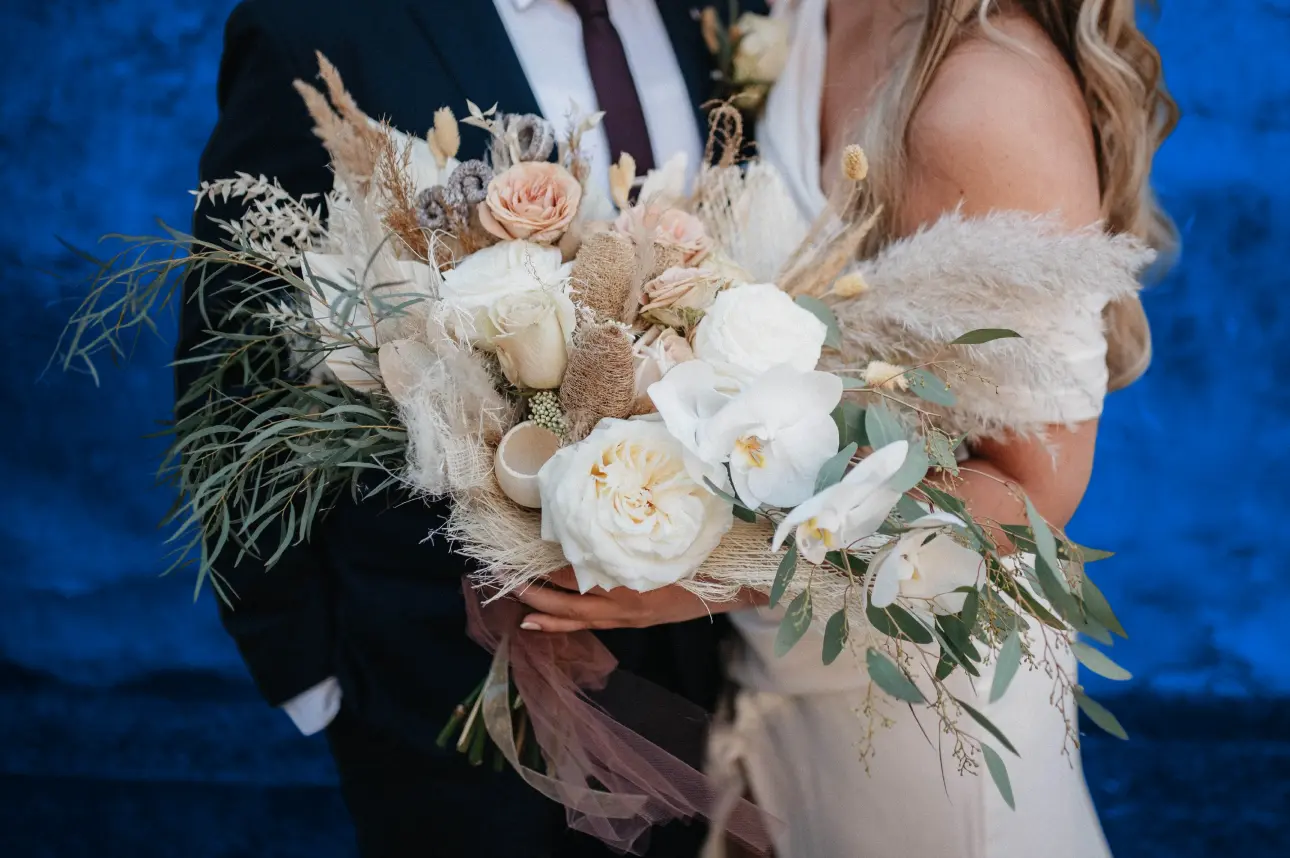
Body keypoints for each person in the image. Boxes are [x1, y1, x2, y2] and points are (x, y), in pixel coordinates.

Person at [515, 1, 1176, 855]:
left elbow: (1032, 488)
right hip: (776, 665)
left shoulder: (990, 99)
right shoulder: (817, 10)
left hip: (919, 696)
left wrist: (715, 576)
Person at [178, 1, 764, 856]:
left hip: (692, 660)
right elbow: (234, 361)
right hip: (441, 679)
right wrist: (306, 669)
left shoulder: (701, 15)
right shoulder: (320, 25)